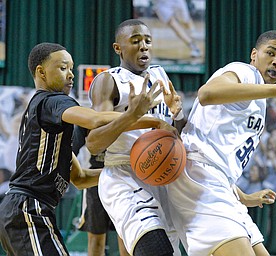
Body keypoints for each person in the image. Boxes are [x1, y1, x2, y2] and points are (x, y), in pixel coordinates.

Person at [0, 42, 165, 255]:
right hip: (28, 208)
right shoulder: (52, 100)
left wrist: (129, 169)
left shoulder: (52, 124)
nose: (70, 74)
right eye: (62, 68)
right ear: (41, 72)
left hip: (23, 210)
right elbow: (95, 119)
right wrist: (145, 118)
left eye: (71, 68)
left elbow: (80, 178)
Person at [166, 30, 276, 256]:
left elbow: (217, 156)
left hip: (222, 185)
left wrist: (244, 197)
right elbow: (207, 93)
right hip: (200, 180)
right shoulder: (244, 71)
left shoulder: (260, 98)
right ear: (254, 55)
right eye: (271, 53)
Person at [85, 19, 184, 256]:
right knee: (154, 250)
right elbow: (94, 142)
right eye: (136, 41)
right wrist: (131, 115)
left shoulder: (160, 75)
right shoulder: (109, 80)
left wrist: (177, 113)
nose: (144, 46)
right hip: (123, 176)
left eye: (148, 41)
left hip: (161, 178)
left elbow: (178, 131)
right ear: (118, 48)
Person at [73, 125, 129, 256]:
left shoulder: (127, 114)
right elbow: (71, 149)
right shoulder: (89, 119)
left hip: (124, 179)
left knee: (126, 240)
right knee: (96, 241)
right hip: (95, 182)